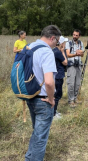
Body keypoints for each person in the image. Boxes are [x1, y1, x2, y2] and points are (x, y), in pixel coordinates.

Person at [25, 25, 61, 161]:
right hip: (43, 100)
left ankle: (29, 158)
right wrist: (52, 99)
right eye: (57, 42)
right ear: (52, 38)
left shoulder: (30, 47)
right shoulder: (47, 52)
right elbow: (49, 82)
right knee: (41, 138)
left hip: (30, 96)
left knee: (37, 133)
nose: (56, 45)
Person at [65, 29, 84, 107]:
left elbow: (82, 54)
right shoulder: (68, 43)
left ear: (79, 36)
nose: (75, 36)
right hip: (71, 65)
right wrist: (76, 54)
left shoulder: (80, 43)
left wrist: (80, 53)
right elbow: (68, 54)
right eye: (74, 35)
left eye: (76, 35)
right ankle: (71, 100)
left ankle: (75, 98)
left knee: (77, 83)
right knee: (71, 83)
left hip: (78, 65)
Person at [52, 36, 68, 119]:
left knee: (55, 94)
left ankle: (53, 111)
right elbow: (65, 62)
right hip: (58, 76)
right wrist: (62, 51)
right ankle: (53, 114)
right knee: (57, 95)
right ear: (61, 43)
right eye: (64, 42)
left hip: (55, 75)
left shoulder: (54, 50)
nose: (65, 44)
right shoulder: (58, 52)